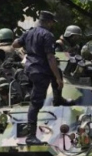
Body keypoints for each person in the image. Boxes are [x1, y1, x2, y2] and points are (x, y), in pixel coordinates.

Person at [13, 11, 64, 145]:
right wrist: (58, 78)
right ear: (48, 22)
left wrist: (28, 48)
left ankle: (59, 98)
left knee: (54, 74)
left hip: (29, 69)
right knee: (35, 104)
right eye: (52, 22)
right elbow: (50, 57)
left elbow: (15, 44)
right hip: (41, 71)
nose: (53, 25)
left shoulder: (29, 32)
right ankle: (31, 136)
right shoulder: (47, 35)